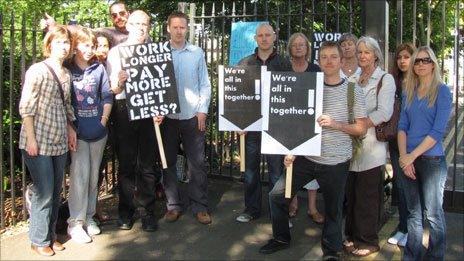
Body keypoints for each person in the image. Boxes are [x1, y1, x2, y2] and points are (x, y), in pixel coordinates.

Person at [259, 41, 367, 259]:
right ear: (318, 60)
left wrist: (335, 124)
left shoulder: (352, 90)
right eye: (324, 57)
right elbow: (294, 120)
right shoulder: (308, 85)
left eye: (333, 57)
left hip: (336, 161)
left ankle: (331, 251)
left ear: (341, 59)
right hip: (307, 158)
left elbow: (361, 128)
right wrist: (291, 150)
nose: (329, 61)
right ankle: (281, 237)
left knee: (333, 209)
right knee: (277, 195)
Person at [19, 25, 77, 256]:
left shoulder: (66, 73)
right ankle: (38, 240)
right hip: (39, 140)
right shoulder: (38, 70)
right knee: (43, 192)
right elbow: (27, 107)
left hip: (58, 140)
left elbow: (66, 106)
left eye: (67, 43)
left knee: (54, 192)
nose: (64, 47)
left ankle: (51, 236)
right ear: (49, 44)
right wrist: (31, 139)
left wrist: (71, 129)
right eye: (59, 42)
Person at [106, 10, 162, 232]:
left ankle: (148, 212)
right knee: (127, 164)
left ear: (149, 27)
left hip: (149, 111)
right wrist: (119, 82)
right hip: (125, 109)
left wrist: (161, 110)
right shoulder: (116, 52)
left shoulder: (155, 51)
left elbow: (162, 87)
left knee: (148, 165)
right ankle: (125, 212)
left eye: (145, 24)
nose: (141, 27)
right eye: (136, 23)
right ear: (128, 25)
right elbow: (113, 89)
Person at [398, 46, 452, 261]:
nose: (420, 64)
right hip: (408, 160)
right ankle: (411, 255)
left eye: (425, 60)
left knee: (432, 214)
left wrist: (412, 156)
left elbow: (437, 132)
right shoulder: (408, 91)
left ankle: (434, 256)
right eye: (417, 61)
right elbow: (402, 126)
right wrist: (404, 157)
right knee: (413, 213)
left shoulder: (442, 91)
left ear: (433, 64)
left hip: (431, 161)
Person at [344, 36, 396, 257]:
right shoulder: (353, 77)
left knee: (367, 195)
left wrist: (362, 123)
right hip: (351, 143)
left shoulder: (385, 79)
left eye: (366, 52)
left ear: (376, 54)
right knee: (352, 193)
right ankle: (353, 235)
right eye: (359, 52)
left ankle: (369, 240)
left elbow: (385, 111)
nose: (362, 56)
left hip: (372, 144)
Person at [235, 23, 291, 223]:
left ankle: (279, 215)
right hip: (251, 126)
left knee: (277, 172)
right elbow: (236, 95)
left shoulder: (285, 64)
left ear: (275, 37)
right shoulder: (244, 63)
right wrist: (237, 123)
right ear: (256, 38)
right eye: (261, 35)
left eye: (268, 35)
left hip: (276, 127)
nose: (265, 38)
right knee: (251, 170)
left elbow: (291, 96)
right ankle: (251, 210)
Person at [159, 11, 212, 225]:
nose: (179, 31)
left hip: (192, 116)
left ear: (187, 29)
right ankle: (173, 206)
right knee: (168, 162)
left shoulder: (197, 52)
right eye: (175, 27)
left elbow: (205, 83)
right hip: (167, 118)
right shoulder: (159, 52)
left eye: (183, 27)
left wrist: (203, 111)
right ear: (168, 28)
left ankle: (200, 206)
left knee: (197, 164)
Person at [65, 27, 113, 244]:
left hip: (98, 132)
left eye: (92, 45)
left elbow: (107, 96)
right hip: (78, 133)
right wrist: (71, 127)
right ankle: (75, 223)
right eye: (85, 45)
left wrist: (102, 121)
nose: (89, 49)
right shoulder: (67, 69)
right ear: (75, 46)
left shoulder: (99, 69)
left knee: (94, 177)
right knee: (79, 178)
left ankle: (90, 217)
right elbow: (63, 101)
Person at [286, 32, 324, 225]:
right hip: (287, 123)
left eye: (302, 44)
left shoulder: (316, 70)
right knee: (290, 164)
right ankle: (292, 203)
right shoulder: (284, 69)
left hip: (310, 123)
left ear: (308, 49)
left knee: (310, 164)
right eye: (295, 45)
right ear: (290, 48)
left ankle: (312, 207)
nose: (299, 47)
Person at [387, 43, 416, 247]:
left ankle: (412, 230)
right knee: (401, 186)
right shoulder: (394, 82)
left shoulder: (421, 83)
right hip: (396, 141)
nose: (403, 60)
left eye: (407, 57)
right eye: (400, 57)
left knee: (413, 188)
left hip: (415, 144)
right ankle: (404, 226)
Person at [41, 1, 129, 46]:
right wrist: (56, 26)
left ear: (128, 13)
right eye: (114, 15)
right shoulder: (109, 33)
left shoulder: (141, 28)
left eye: (122, 13)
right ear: (111, 18)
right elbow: (81, 30)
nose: (118, 18)